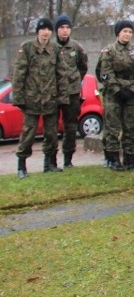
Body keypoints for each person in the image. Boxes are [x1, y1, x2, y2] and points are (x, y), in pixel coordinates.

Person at [12, 18, 70, 178]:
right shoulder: (27, 48)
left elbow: (61, 75)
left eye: (48, 29)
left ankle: (49, 163)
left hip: (51, 99)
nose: (46, 32)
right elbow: (18, 75)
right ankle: (21, 167)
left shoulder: (55, 49)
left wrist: (63, 98)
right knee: (28, 133)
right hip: (32, 100)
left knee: (51, 133)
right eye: (43, 29)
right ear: (38, 31)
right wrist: (18, 99)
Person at [97, 19, 134, 171]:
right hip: (113, 96)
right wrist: (117, 90)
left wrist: (133, 89)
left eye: (130, 32)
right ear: (118, 33)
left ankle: (130, 159)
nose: (127, 34)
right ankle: (113, 159)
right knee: (112, 128)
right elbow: (105, 73)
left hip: (131, 94)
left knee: (130, 128)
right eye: (125, 31)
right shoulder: (109, 51)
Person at [54, 14, 88, 168]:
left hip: (72, 93)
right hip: (53, 92)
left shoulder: (76, 47)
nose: (65, 31)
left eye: (67, 27)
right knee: (51, 127)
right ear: (56, 30)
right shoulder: (50, 46)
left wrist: (74, 80)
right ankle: (51, 161)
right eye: (61, 27)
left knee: (71, 126)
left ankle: (68, 159)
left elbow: (83, 67)